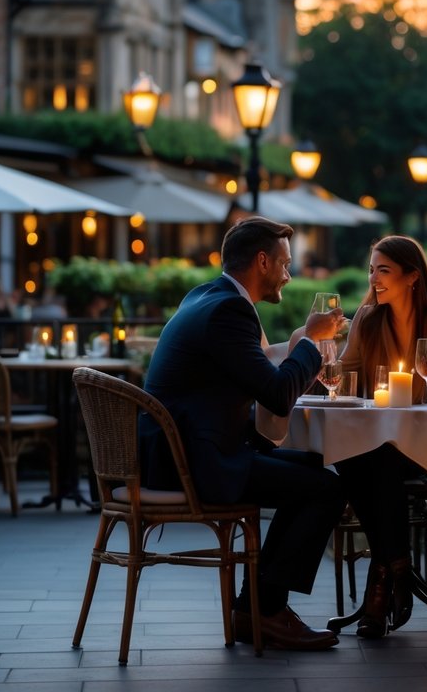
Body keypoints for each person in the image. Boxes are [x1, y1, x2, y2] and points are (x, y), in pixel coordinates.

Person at [140, 215, 347, 651]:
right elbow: (275, 395)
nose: (289, 275)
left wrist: (298, 344)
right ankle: (264, 610)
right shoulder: (229, 310)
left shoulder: (206, 296)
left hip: (187, 450)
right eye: (285, 265)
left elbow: (251, 365)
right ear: (262, 262)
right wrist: (311, 342)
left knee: (314, 468)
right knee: (323, 489)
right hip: (194, 463)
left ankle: (254, 606)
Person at [336, 235, 427, 639]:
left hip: (425, 447)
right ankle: (394, 567)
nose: (374, 278)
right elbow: (345, 378)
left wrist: (421, 396)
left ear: (412, 276)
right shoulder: (366, 319)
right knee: (354, 456)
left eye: (384, 270)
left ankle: (384, 578)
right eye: (372, 269)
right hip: (380, 447)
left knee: (376, 457)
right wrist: (320, 352)